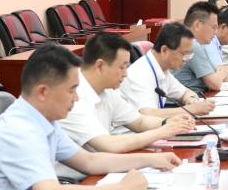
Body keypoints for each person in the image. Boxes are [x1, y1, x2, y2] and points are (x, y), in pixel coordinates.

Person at [0, 45, 181, 190]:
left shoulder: (43, 120)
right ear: (43, 92)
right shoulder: (19, 130)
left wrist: (151, 160)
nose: (76, 98)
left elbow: (89, 161)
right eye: (72, 89)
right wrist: (121, 188)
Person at [60, 33, 194, 152]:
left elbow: (139, 122)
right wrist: (162, 132)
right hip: (81, 171)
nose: (126, 74)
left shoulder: (108, 89)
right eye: (122, 67)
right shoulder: (73, 97)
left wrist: (168, 122)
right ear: (100, 66)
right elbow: (110, 145)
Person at [119, 22, 215, 118]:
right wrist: (192, 109)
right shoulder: (140, 74)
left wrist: (192, 100)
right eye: (184, 54)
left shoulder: (163, 70)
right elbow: (148, 115)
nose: (186, 59)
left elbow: (185, 93)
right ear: (164, 50)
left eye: (189, 55)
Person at [175, 1, 228, 93]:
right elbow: (215, 83)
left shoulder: (197, 43)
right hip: (192, 98)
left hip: (197, 95)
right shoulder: (193, 45)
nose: (215, 32)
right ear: (197, 25)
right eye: (213, 27)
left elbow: (219, 72)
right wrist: (221, 72)